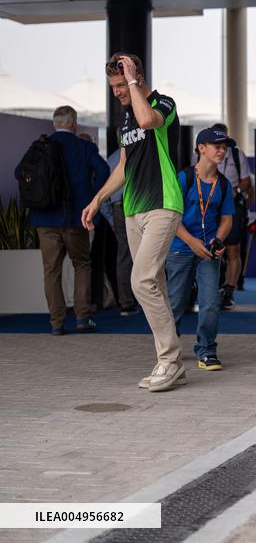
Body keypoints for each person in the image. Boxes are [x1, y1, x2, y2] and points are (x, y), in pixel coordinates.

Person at [82, 52, 186, 393]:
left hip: (163, 204)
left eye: (120, 85)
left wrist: (133, 82)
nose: (117, 93)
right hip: (133, 211)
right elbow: (124, 167)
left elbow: (147, 121)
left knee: (140, 281)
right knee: (153, 284)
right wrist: (97, 200)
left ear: (135, 76)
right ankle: (172, 365)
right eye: (112, 87)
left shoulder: (163, 104)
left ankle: (169, 360)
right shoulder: (123, 122)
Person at [15, 106, 109, 335]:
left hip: (44, 218)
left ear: (54, 124)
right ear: (74, 123)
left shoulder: (39, 146)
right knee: (82, 264)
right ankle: (82, 318)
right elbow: (104, 171)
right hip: (76, 218)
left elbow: (20, 173)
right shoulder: (84, 147)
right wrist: (92, 198)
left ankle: (56, 323)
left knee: (51, 270)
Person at [165, 128, 234, 371]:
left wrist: (218, 240)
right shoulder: (183, 178)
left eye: (224, 146)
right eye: (217, 145)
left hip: (208, 252)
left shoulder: (224, 185)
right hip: (180, 249)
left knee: (211, 301)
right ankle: (168, 353)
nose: (222, 150)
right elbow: (172, 216)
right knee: (175, 301)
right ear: (200, 148)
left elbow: (227, 219)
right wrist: (192, 242)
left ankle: (206, 350)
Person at [212, 123, 252, 310]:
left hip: (232, 206)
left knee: (233, 250)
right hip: (210, 207)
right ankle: (213, 289)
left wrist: (233, 190)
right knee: (210, 249)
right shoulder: (201, 154)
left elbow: (246, 182)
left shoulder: (237, 155)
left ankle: (229, 291)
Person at [99, 147, 139, 315]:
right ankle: (147, 299)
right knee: (147, 251)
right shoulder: (141, 152)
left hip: (118, 208)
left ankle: (126, 303)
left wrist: (111, 220)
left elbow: (104, 196)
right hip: (138, 204)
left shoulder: (111, 159)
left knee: (124, 254)